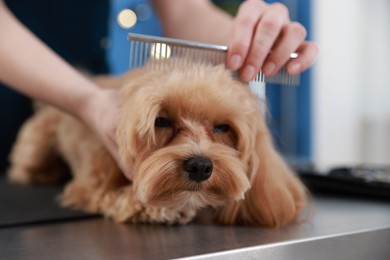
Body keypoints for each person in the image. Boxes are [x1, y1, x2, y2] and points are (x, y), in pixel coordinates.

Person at [0, 0, 318, 180]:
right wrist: (88, 102)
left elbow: (184, 10)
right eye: (164, 123)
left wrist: (246, 40)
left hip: (97, 110)